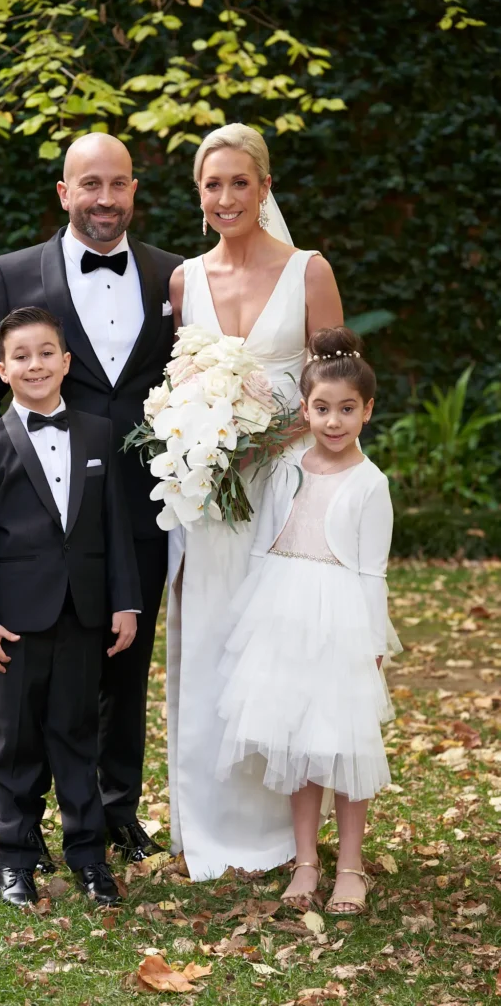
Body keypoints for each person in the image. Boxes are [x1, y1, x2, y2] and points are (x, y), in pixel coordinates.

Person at [0, 133, 182, 863]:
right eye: (89, 185)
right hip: (43, 517)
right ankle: (27, 826)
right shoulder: (15, 273)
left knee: (126, 660)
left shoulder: (174, 277)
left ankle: (114, 811)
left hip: (145, 508)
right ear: (64, 192)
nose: (104, 199)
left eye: (117, 184)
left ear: (135, 190)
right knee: (38, 673)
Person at [166, 123, 343, 881]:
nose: (227, 196)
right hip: (211, 498)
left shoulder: (309, 271)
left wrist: (270, 438)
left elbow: (341, 387)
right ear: (199, 195)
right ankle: (205, 824)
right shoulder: (184, 280)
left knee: (279, 648)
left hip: (283, 488)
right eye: (214, 185)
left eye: (241, 182)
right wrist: (192, 428)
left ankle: (283, 829)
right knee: (209, 642)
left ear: (265, 188)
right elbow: (176, 385)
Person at [0, 306, 143, 907]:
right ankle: (14, 859)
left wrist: (126, 602)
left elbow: (114, 525)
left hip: (84, 615)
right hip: (13, 622)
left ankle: (89, 859)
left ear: (66, 362)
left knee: (77, 735)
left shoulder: (95, 432)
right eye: (21, 356)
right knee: (14, 743)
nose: (34, 364)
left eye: (45, 353)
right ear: (2, 369)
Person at [217, 328, 400, 915]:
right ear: (305, 409)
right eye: (322, 408)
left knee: (341, 743)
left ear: (367, 411)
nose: (334, 421)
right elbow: (265, 545)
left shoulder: (371, 484)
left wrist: (373, 641)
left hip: (341, 619)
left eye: (348, 409)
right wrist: (255, 619)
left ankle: (350, 867)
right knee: (297, 741)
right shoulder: (287, 468)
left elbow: (373, 571)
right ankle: (305, 863)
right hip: (282, 614)